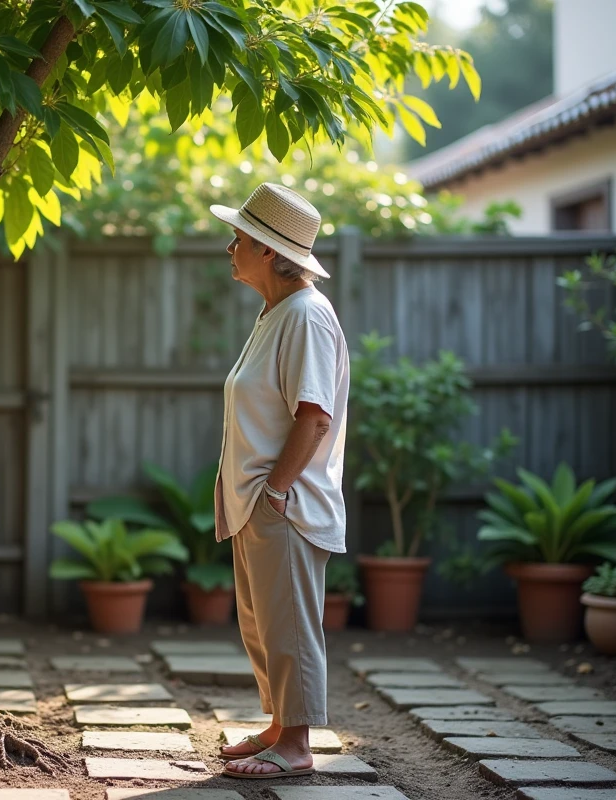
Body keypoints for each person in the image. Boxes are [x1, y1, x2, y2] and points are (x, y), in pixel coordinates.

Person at [208, 182, 350, 779]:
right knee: (264, 622)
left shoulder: (306, 315)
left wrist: (276, 491)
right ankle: (276, 726)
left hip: (283, 503)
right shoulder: (277, 312)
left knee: (289, 624)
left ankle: (295, 746)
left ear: (269, 250)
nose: (230, 247)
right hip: (261, 503)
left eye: (238, 238)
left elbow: (313, 414)